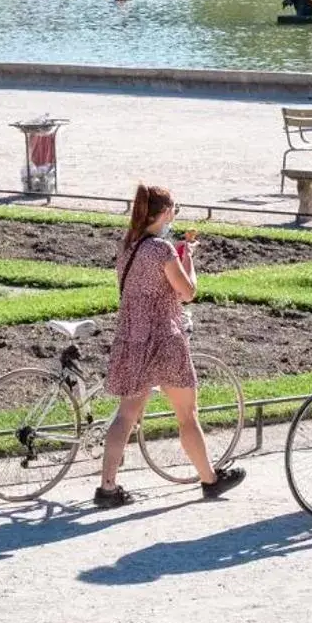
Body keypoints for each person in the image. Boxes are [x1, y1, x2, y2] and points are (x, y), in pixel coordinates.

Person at [92, 185, 246, 508]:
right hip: (165, 338)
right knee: (187, 415)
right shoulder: (161, 250)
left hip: (133, 336)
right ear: (163, 214)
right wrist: (187, 257)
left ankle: (107, 488)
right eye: (173, 211)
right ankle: (210, 479)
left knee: (125, 415)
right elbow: (187, 292)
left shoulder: (128, 245)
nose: (174, 217)